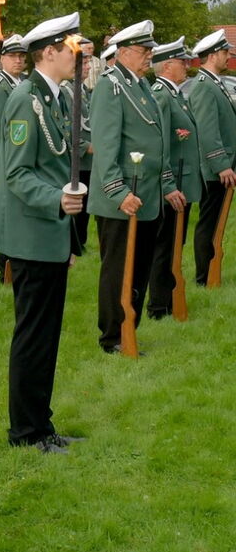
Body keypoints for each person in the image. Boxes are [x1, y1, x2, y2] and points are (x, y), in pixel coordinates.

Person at [0, 13, 85, 453]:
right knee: (33, 338)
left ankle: (40, 424)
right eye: (70, 48)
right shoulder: (25, 99)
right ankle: (26, 432)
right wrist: (57, 200)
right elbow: (16, 173)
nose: (77, 55)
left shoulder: (54, 97)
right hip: (31, 235)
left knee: (46, 338)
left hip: (50, 233)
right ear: (49, 52)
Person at [88, 20, 184, 353]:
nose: (149, 57)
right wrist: (117, 191)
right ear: (124, 52)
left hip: (145, 194)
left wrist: (166, 184)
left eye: (150, 51)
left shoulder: (140, 85)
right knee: (119, 269)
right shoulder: (110, 86)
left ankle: (130, 327)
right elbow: (105, 146)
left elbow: (157, 142)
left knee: (140, 267)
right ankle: (113, 336)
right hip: (123, 197)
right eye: (144, 51)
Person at [146, 38, 201, 317]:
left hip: (182, 180)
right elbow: (160, 144)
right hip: (172, 183)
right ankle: (159, 305)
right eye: (182, 62)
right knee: (165, 246)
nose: (187, 66)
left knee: (175, 243)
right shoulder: (161, 95)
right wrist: (167, 182)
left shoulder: (175, 94)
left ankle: (167, 299)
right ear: (167, 66)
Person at [188, 29, 236, 286]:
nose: (229, 57)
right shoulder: (204, 86)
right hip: (213, 170)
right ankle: (204, 276)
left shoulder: (214, 83)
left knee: (216, 221)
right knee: (209, 223)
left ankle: (209, 275)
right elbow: (207, 132)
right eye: (226, 53)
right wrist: (221, 165)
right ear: (213, 55)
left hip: (221, 168)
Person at [0, 33, 27, 283]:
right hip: (9, 161)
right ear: (2, 59)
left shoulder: (22, 83)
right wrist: (9, 161)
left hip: (20, 158)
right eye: (13, 56)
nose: (18, 61)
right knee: (6, 214)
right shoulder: (0, 86)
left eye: (21, 56)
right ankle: (4, 268)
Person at [61, 37, 94, 249]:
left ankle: (80, 242)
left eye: (89, 62)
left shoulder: (82, 90)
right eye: (84, 61)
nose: (88, 66)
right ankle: (74, 243)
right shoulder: (66, 90)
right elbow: (66, 127)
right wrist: (85, 147)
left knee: (85, 206)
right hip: (77, 160)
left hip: (88, 161)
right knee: (76, 205)